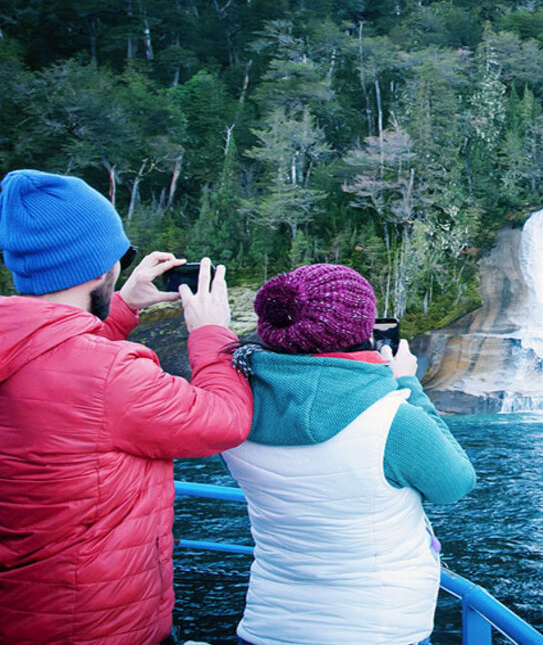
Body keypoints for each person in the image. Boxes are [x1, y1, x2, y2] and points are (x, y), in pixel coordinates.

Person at [0, 169, 254, 645]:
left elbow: (58, 361)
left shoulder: (19, 344)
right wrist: (212, 334)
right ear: (103, 268)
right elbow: (225, 420)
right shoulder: (112, 373)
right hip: (97, 625)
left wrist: (122, 305)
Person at [222, 263, 476, 645]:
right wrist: (408, 383)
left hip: (267, 627)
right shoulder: (394, 421)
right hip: (379, 630)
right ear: (360, 332)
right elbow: (456, 484)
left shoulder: (232, 414)